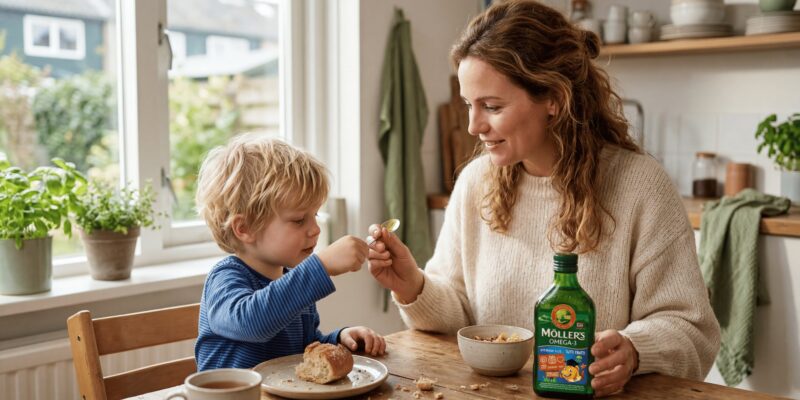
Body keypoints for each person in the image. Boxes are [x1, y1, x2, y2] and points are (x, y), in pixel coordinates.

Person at [367, 1, 720, 397]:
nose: (473, 125)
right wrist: (412, 285)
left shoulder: (641, 187)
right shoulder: (475, 182)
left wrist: (635, 351)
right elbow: (460, 311)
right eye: (469, 104)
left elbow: (692, 329)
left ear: (553, 98)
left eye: (492, 106)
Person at [194, 134, 386, 370]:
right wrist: (321, 266)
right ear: (245, 228)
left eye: (314, 215)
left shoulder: (292, 282)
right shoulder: (225, 278)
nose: (315, 229)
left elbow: (303, 351)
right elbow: (251, 323)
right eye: (298, 220)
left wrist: (339, 339)